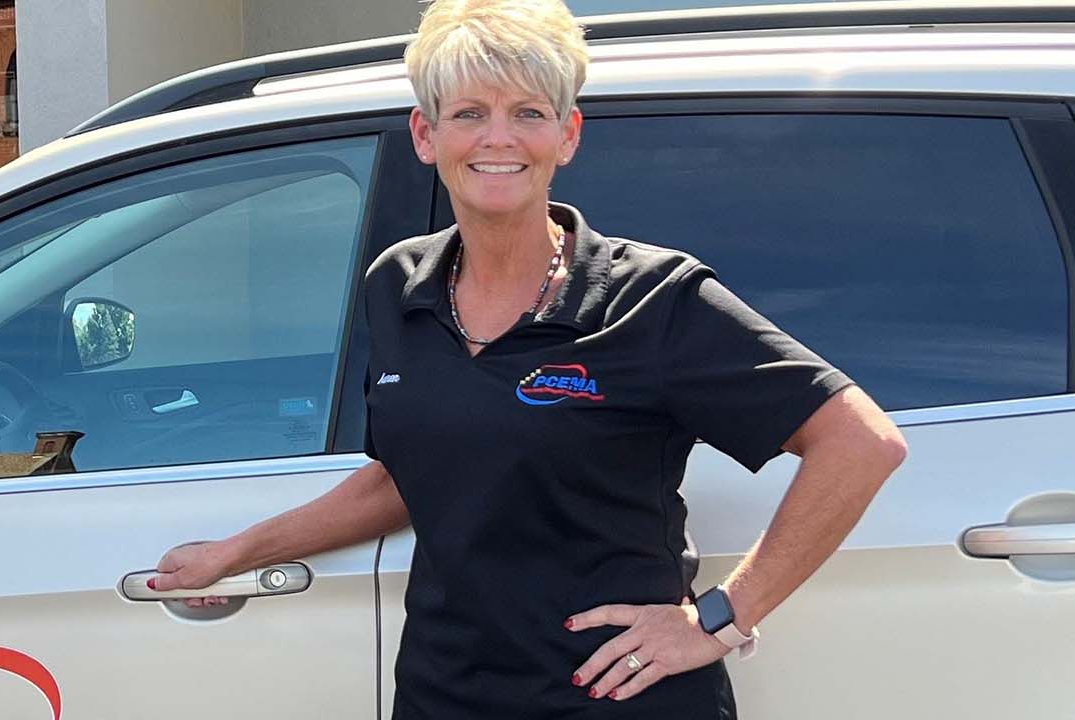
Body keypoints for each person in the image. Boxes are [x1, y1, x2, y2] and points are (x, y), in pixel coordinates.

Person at [146, 1, 908, 717]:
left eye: (528, 114)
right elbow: (412, 474)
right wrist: (236, 551)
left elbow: (859, 442)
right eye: (469, 114)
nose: (498, 139)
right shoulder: (398, 286)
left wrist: (718, 618)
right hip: (444, 692)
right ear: (425, 134)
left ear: (568, 134)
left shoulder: (651, 298)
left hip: (616, 698)